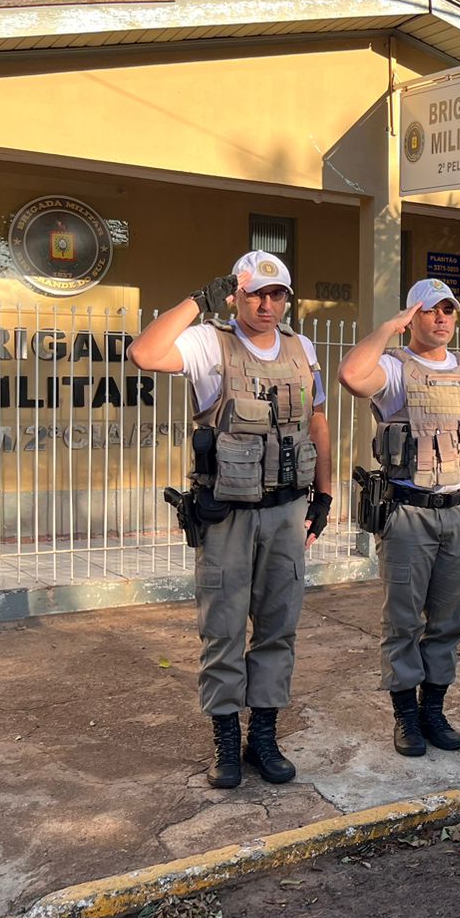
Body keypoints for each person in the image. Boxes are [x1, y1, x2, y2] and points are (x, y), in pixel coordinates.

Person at [128, 250, 333, 788]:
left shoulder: (301, 348)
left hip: (287, 512)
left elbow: (316, 422)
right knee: (222, 631)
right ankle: (224, 741)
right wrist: (197, 301)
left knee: (277, 629)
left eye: (277, 294)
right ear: (235, 296)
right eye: (256, 293)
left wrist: (325, 494)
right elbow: (145, 354)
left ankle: (262, 737)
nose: (267, 304)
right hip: (227, 519)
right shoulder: (208, 343)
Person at [337, 277, 460, 757]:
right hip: (408, 513)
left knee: (451, 622)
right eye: (430, 310)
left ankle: (434, 708)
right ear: (413, 316)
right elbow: (350, 375)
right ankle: (405, 718)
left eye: (449, 310)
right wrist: (389, 327)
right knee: (404, 622)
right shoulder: (393, 369)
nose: (442, 318)